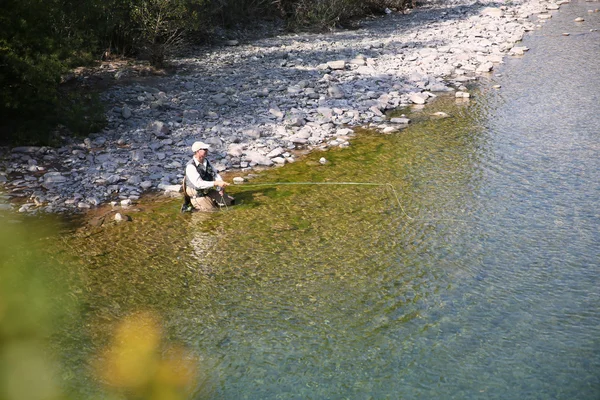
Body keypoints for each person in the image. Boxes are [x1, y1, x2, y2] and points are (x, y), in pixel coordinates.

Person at [181, 141, 234, 212]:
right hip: (198, 194)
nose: (207, 150)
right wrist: (216, 183)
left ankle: (211, 201)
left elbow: (215, 174)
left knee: (231, 202)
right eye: (204, 149)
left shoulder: (206, 161)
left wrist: (220, 187)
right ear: (197, 151)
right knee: (211, 212)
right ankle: (191, 209)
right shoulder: (190, 166)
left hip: (208, 191)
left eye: (206, 149)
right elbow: (198, 184)